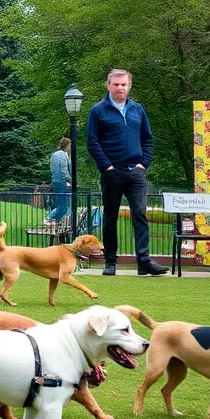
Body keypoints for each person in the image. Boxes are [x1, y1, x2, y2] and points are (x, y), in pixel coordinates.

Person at [86, 69, 167, 276]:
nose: (120, 88)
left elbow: (147, 139)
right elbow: (92, 142)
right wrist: (106, 166)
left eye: (124, 84)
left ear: (129, 86)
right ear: (108, 85)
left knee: (140, 215)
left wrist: (143, 164)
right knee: (110, 217)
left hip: (136, 173)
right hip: (112, 172)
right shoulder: (98, 110)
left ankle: (144, 262)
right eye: (116, 84)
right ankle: (110, 262)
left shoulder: (137, 110)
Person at [47, 137, 72, 223]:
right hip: (61, 181)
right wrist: (69, 180)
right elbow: (63, 169)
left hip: (55, 181)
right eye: (69, 145)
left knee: (60, 205)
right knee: (63, 206)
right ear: (66, 145)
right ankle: (50, 218)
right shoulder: (61, 155)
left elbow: (52, 168)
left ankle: (55, 221)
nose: (70, 147)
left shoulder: (56, 154)